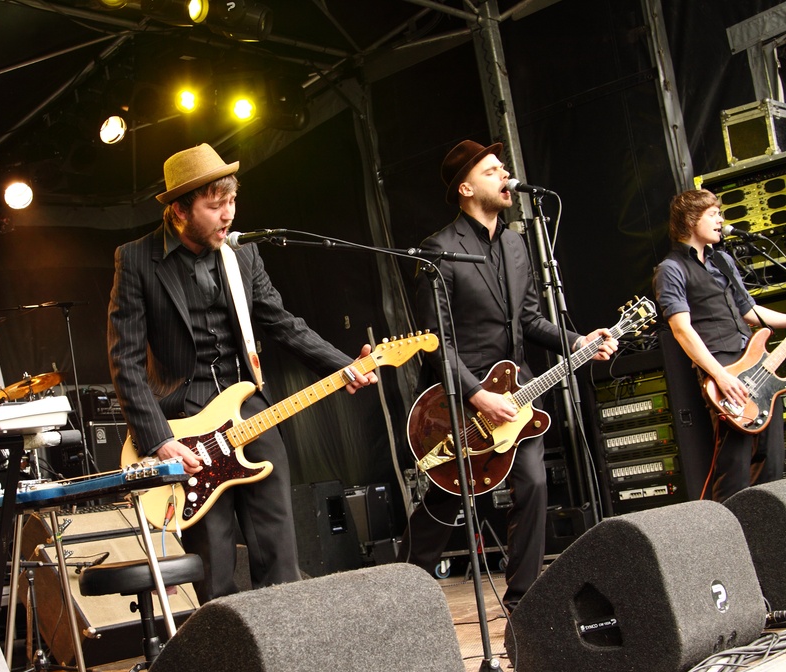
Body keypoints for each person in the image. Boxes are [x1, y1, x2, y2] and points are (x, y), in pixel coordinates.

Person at [108, 143, 376, 602]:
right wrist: (158, 440)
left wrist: (345, 365)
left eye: (231, 201)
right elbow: (125, 361)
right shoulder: (136, 260)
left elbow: (282, 324)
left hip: (249, 408)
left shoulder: (243, 256)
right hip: (183, 423)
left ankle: (287, 648)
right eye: (214, 206)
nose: (228, 214)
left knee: (279, 546)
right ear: (178, 210)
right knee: (213, 562)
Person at [397, 140, 616, 611]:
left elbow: (531, 319)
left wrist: (578, 341)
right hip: (457, 401)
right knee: (446, 500)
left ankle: (524, 601)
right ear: (465, 187)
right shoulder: (440, 250)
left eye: (504, 168)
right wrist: (477, 396)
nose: (506, 176)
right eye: (493, 170)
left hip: (518, 395)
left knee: (534, 484)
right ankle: (397, 593)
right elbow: (436, 341)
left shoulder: (517, 243)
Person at [653, 188, 786, 502]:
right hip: (721, 365)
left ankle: (769, 529)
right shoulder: (670, 269)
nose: (721, 220)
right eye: (713, 214)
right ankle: (730, 536)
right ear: (690, 220)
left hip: (755, 364)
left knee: (773, 454)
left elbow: (751, 313)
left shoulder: (723, 259)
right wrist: (720, 375)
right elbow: (682, 330)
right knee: (734, 460)